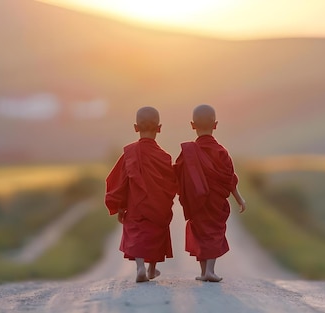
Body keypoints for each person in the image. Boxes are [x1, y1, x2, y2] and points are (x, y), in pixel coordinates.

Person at [174, 104, 247, 282]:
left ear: (192, 125)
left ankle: (203, 271)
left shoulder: (188, 152)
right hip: (215, 203)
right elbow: (230, 179)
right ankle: (210, 271)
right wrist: (239, 199)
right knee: (213, 231)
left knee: (200, 232)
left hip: (196, 202)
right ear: (215, 125)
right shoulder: (221, 152)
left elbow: (178, 175)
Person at [105, 106, 178, 283]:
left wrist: (120, 206)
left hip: (135, 206)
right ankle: (152, 269)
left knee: (137, 233)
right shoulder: (164, 157)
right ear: (159, 128)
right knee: (156, 232)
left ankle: (139, 267)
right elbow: (171, 184)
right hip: (158, 207)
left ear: (135, 128)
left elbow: (120, 181)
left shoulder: (129, 154)